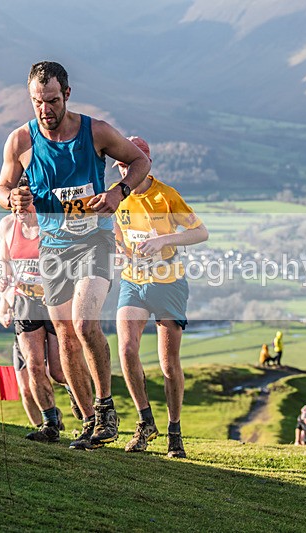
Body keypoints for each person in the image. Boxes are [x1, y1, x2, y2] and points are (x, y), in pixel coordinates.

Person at [0, 61, 151, 450]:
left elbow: (140, 161)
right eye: (36, 102)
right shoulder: (20, 141)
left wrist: (119, 191)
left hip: (94, 241)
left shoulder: (94, 131)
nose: (44, 110)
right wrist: (11, 198)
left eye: (51, 100)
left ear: (66, 93)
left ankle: (106, 410)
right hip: (53, 248)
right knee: (64, 332)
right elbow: (0, 187)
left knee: (84, 324)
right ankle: (88, 420)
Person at [111, 136, 208, 458]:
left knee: (169, 363)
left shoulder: (166, 196)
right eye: (120, 166)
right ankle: (144, 422)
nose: (124, 171)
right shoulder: (119, 197)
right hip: (133, 281)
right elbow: (119, 235)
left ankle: (174, 432)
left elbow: (200, 232)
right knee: (126, 349)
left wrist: (165, 239)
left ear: (145, 163)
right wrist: (119, 252)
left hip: (168, 282)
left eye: (129, 165)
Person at [0, 206, 76, 441]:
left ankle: (80, 398)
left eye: (24, 205)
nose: (19, 211)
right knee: (33, 366)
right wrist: (4, 281)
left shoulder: (51, 222)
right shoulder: (7, 225)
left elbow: (70, 258)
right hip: (24, 299)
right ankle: (50, 424)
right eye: (15, 206)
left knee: (60, 371)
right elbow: (5, 260)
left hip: (54, 300)